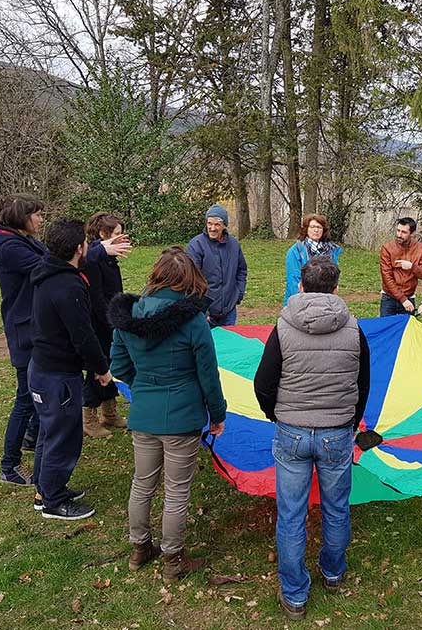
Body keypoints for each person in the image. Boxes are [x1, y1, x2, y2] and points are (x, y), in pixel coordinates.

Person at [253, 257, 370, 620]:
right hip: (336, 433)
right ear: (336, 288)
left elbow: (263, 383)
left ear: (300, 287)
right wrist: (350, 422)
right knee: (336, 509)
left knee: (291, 515)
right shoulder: (353, 328)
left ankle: (295, 595)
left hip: (292, 433)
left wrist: (277, 414)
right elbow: (362, 384)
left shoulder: (282, 328)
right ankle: (332, 573)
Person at [108, 247, 227, 584]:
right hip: (181, 417)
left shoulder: (129, 317)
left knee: (142, 483)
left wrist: (144, 385)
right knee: (175, 490)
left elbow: (118, 365)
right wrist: (217, 414)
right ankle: (172, 560)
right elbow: (208, 374)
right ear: (188, 280)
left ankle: (139, 548)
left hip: (145, 414)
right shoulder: (193, 322)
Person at [28, 219, 112, 520]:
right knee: (63, 436)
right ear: (78, 248)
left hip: (41, 368)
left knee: (49, 433)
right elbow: (83, 335)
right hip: (58, 376)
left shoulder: (47, 272)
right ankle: (52, 501)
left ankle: (45, 489)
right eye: (87, 244)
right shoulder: (68, 286)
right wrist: (102, 370)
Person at [0, 194, 48, 486]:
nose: (40, 219)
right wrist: (96, 251)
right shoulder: (10, 248)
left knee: (37, 390)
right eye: (36, 214)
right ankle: (9, 465)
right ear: (21, 218)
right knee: (26, 397)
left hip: (32, 324)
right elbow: (49, 266)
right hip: (24, 330)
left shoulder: (22, 239)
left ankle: (32, 437)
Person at [81, 212, 133, 438]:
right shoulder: (93, 260)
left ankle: (109, 412)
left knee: (114, 364)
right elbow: (97, 298)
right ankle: (88, 418)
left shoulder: (108, 258)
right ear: (103, 235)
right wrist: (111, 322)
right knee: (98, 369)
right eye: (118, 234)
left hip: (112, 320)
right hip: (100, 324)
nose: (123, 238)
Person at [185, 204, 247, 327]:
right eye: (209, 223)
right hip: (204, 314)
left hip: (229, 312)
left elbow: (242, 270)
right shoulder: (196, 246)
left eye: (217, 224)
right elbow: (190, 281)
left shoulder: (234, 245)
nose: (212, 228)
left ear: (224, 226)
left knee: (229, 345)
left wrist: (238, 294)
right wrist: (202, 309)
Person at [283, 214, 343, 305]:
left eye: (319, 227)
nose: (316, 230)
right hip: (301, 302)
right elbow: (293, 281)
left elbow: (334, 277)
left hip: (327, 302)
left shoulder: (331, 250)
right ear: (306, 229)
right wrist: (305, 303)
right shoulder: (295, 252)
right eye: (312, 227)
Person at [379, 217, 422, 316]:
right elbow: (386, 277)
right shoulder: (387, 248)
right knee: (386, 329)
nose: (399, 235)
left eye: (403, 232)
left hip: (409, 296)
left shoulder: (420, 249)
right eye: (398, 230)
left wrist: (412, 267)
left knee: (407, 330)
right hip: (389, 297)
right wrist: (403, 299)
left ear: (412, 233)